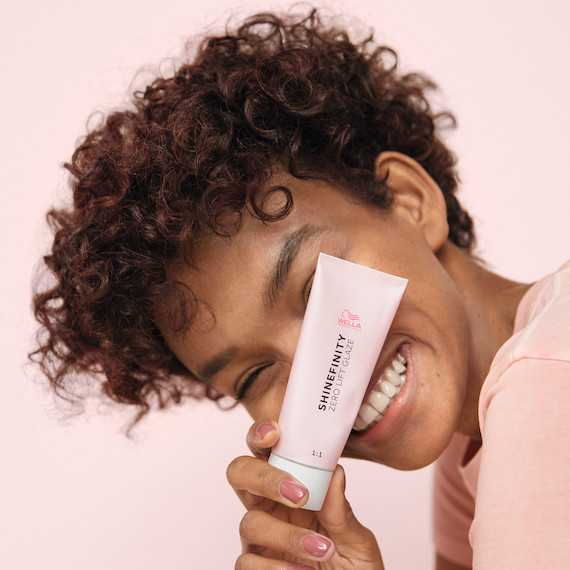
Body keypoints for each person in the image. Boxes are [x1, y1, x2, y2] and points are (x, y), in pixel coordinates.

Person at [30, 7, 569, 569]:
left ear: (410, 200)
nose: (326, 372)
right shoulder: (476, 443)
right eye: (255, 376)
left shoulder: (544, 379)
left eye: (316, 291)